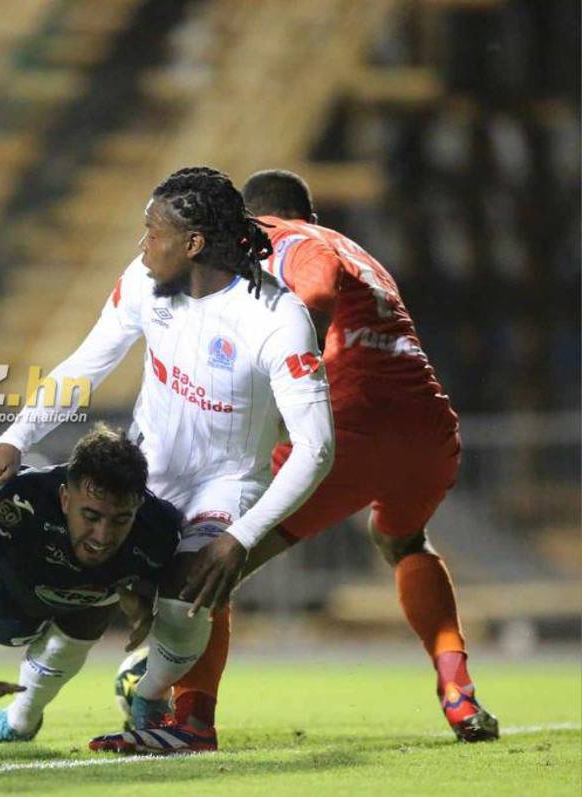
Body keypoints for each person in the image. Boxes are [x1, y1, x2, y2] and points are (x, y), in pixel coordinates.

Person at [0, 167, 336, 755]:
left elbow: (317, 446)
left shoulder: (276, 319)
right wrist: (16, 437)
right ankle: (18, 720)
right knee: (78, 590)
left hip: (225, 486)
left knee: (186, 588)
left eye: (152, 231)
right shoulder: (144, 283)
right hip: (145, 476)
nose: (142, 245)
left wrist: (241, 538)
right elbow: (85, 365)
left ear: (192, 243)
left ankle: (153, 700)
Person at [155, 169, 496, 743]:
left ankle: (188, 718)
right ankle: (458, 690)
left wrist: (284, 388)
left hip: (351, 424)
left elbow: (311, 298)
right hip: (429, 427)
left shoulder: (290, 241)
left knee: (212, 562)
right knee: (402, 539)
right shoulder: (360, 252)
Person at [0, 359, 211, 745]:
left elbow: (151, 579)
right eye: (91, 516)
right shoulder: (21, 505)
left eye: (120, 520)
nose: (102, 534)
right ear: (65, 498)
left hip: (30, 591)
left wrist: (138, 597)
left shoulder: (158, 528)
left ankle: (10, 705)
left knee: (51, 614)